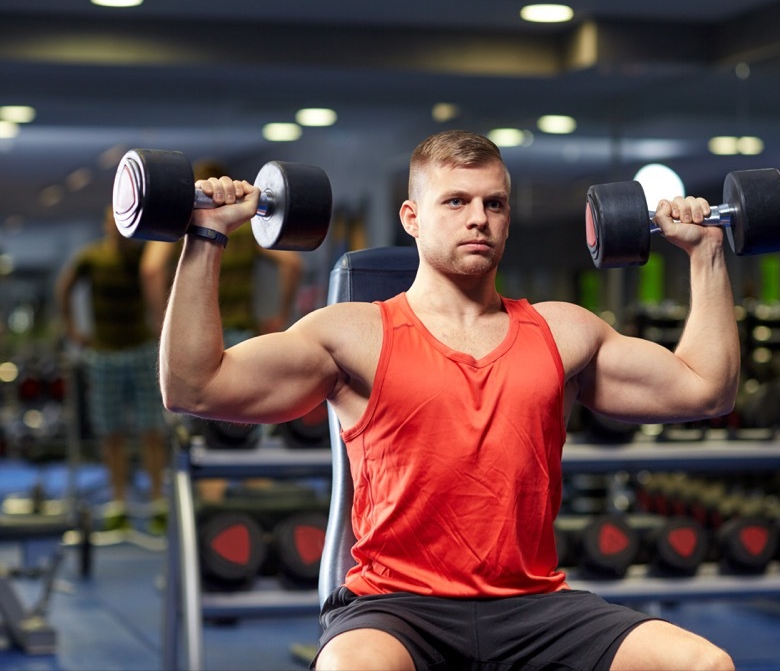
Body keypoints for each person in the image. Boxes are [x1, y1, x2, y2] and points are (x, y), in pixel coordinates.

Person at [157, 130, 738, 671]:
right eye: (455, 202)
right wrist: (206, 236)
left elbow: (705, 388)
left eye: (495, 204)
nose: (478, 220)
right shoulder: (353, 333)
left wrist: (706, 253)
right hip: (399, 610)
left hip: (533, 608)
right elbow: (193, 386)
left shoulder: (563, 333)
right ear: (412, 217)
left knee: (705, 665)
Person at [141, 159, 303, 501]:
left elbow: (151, 269)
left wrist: (165, 326)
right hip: (244, 338)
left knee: (208, 441)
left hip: (199, 339)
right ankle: (255, 510)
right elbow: (292, 262)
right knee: (247, 433)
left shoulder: (183, 219)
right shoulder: (245, 225)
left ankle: (213, 519)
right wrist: (281, 313)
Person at [55, 206, 168, 531]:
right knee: (111, 432)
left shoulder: (143, 257)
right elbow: (64, 288)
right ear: (106, 225)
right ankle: (118, 502)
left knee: (152, 430)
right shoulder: (90, 258)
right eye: (112, 223)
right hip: (103, 355)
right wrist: (72, 329)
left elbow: (158, 282)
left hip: (140, 350)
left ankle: (158, 500)